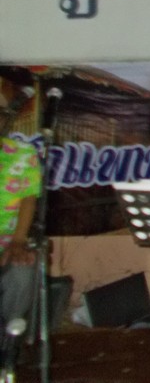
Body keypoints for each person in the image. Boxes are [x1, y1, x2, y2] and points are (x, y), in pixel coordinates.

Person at [0, 74, 40, 334]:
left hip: (9, 239)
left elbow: (28, 198)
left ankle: (8, 343)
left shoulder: (23, 155)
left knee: (22, 269)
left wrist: (18, 241)